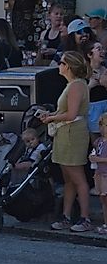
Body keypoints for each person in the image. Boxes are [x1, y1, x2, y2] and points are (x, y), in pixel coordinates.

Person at [42, 51, 92, 232]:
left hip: (73, 134)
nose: (59, 66)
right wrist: (52, 115)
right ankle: (66, 215)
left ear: (68, 66)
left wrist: (52, 119)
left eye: (61, 63)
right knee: (68, 180)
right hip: (64, 133)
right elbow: (66, 111)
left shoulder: (77, 86)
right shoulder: (71, 85)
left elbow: (72, 114)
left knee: (78, 178)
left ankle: (85, 218)